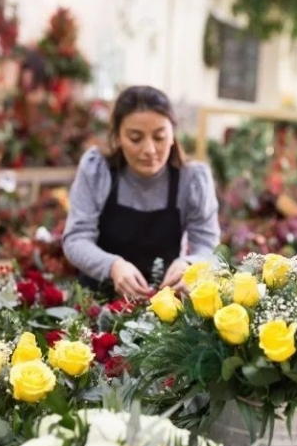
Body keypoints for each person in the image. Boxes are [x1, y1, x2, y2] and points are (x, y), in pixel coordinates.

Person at [62, 85, 220, 299]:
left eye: (159, 137)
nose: (149, 150)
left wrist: (189, 264)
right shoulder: (97, 169)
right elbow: (76, 239)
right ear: (117, 137)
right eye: (136, 138)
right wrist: (113, 266)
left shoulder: (192, 179)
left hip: (164, 306)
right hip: (96, 302)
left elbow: (208, 248)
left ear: (173, 134)